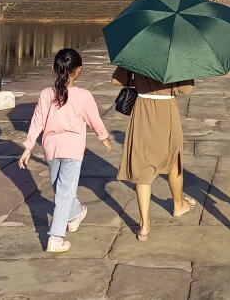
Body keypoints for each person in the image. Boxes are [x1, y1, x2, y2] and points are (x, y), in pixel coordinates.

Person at [19, 48, 112, 252]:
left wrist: (102, 136)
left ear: (54, 67)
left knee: (63, 192)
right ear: (78, 70)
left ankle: (56, 236)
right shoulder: (47, 94)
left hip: (72, 149)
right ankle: (77, 211)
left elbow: (93, 119)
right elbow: (38, 121)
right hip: (51, 147)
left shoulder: (82, 96)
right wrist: (28, 146)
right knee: (59, 188)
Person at [113, 66, 196, 242]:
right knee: (174, 158)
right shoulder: (177, 56)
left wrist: (139, 82)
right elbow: (186, 89)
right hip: (166, 110)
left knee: (143, 166)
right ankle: (178, 204)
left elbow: (117, 80)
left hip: (142, 109)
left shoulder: (136, 54)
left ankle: (144, 225)